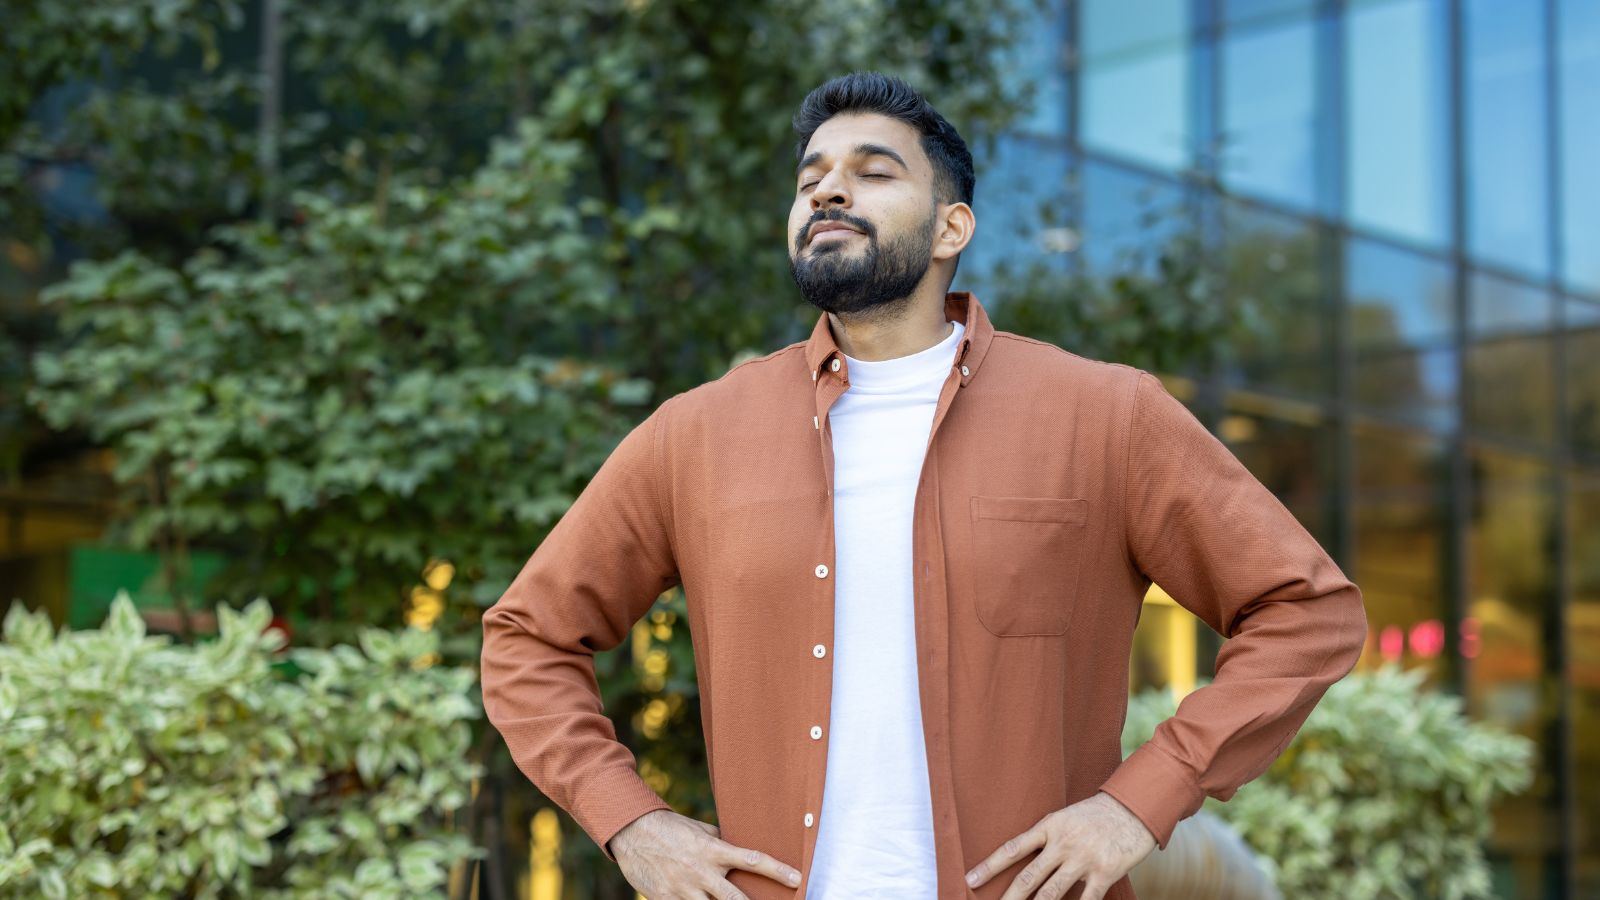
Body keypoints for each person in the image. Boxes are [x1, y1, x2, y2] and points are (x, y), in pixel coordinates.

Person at [480, 71, 1368, 900]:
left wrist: (1139, 801)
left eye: (873, 173)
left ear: (952, 228)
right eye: (811, 178)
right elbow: (528, 637)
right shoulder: (698, 433)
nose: (828, 191)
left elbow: (1306, 611)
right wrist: (633, 825)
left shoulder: (1105, 415)